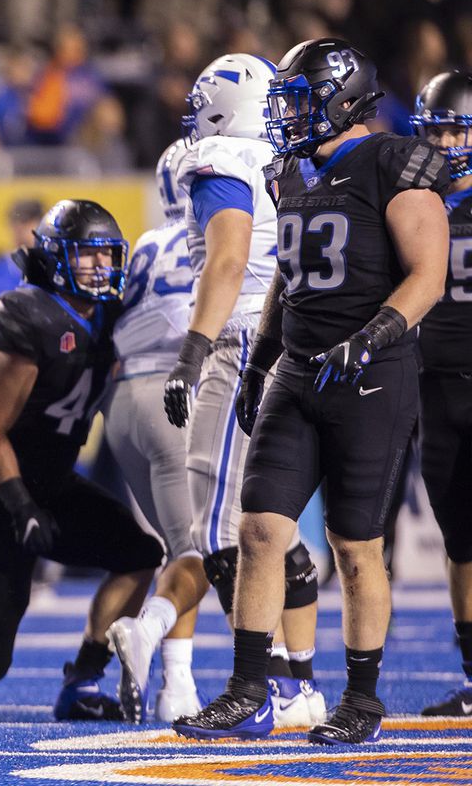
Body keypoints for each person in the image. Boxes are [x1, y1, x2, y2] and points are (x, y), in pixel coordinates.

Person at [174, 38, 450, 745]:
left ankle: (360, 699)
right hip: (298, 370)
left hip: (369, 375)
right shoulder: (287, 171)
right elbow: (286, 281)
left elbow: (427, 273)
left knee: (356, 546)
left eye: (299, 99)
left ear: (343, 97)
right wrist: (262, 357)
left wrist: (372, 338)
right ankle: (247, 690)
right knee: (260, 529)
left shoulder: (392, 162)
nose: (288, 115)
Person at [0, 200, 162, 720]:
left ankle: (83, 681)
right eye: (87, 256)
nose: (101, 268)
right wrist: (22, 506)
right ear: (57, 258)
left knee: (138, 554)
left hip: (56, 484)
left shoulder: (110, 313)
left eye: (107, 256)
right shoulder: (30, 314)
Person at [158, 53, 325, 729]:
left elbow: (227, 262)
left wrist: (191, 353)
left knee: (222, 528)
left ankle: (268, 689)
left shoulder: (219, 158)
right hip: (293, 336)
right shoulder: (293, 162)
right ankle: (294, 682)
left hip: (244, 341)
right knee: (266, 518)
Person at [101, 139, 205, 722]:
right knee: (207, 551)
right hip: (178, 395)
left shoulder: (145, 242)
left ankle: (178, 689)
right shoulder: (218, 234)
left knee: (180, 549)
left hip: (122, 403)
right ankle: (153, 635)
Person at [409, 70, 472, 717]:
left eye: (458, 128)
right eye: (437, 130)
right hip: (434, 390)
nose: (448, 142)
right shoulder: (410, 202)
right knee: (461, 542)